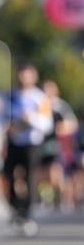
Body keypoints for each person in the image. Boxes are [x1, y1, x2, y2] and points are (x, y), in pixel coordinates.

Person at [3, 64, 52, 236]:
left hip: (31, 143)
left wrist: (30, 118)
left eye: (28, 75)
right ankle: (15, 206)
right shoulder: (10, 96)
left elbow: (47, 124)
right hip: (13, 141)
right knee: (8, 175)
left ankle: (28, 213)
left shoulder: (39, 98)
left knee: (29, 176)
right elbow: (1, 117)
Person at [38, 80, 78, 211]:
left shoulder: (60, 106)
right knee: (42, 173)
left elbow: (72, 124)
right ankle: (48, 196)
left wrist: (59, 129)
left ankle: (62, 198)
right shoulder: (39, 103)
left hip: (57, 144)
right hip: (40, 143)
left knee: (55, 170)